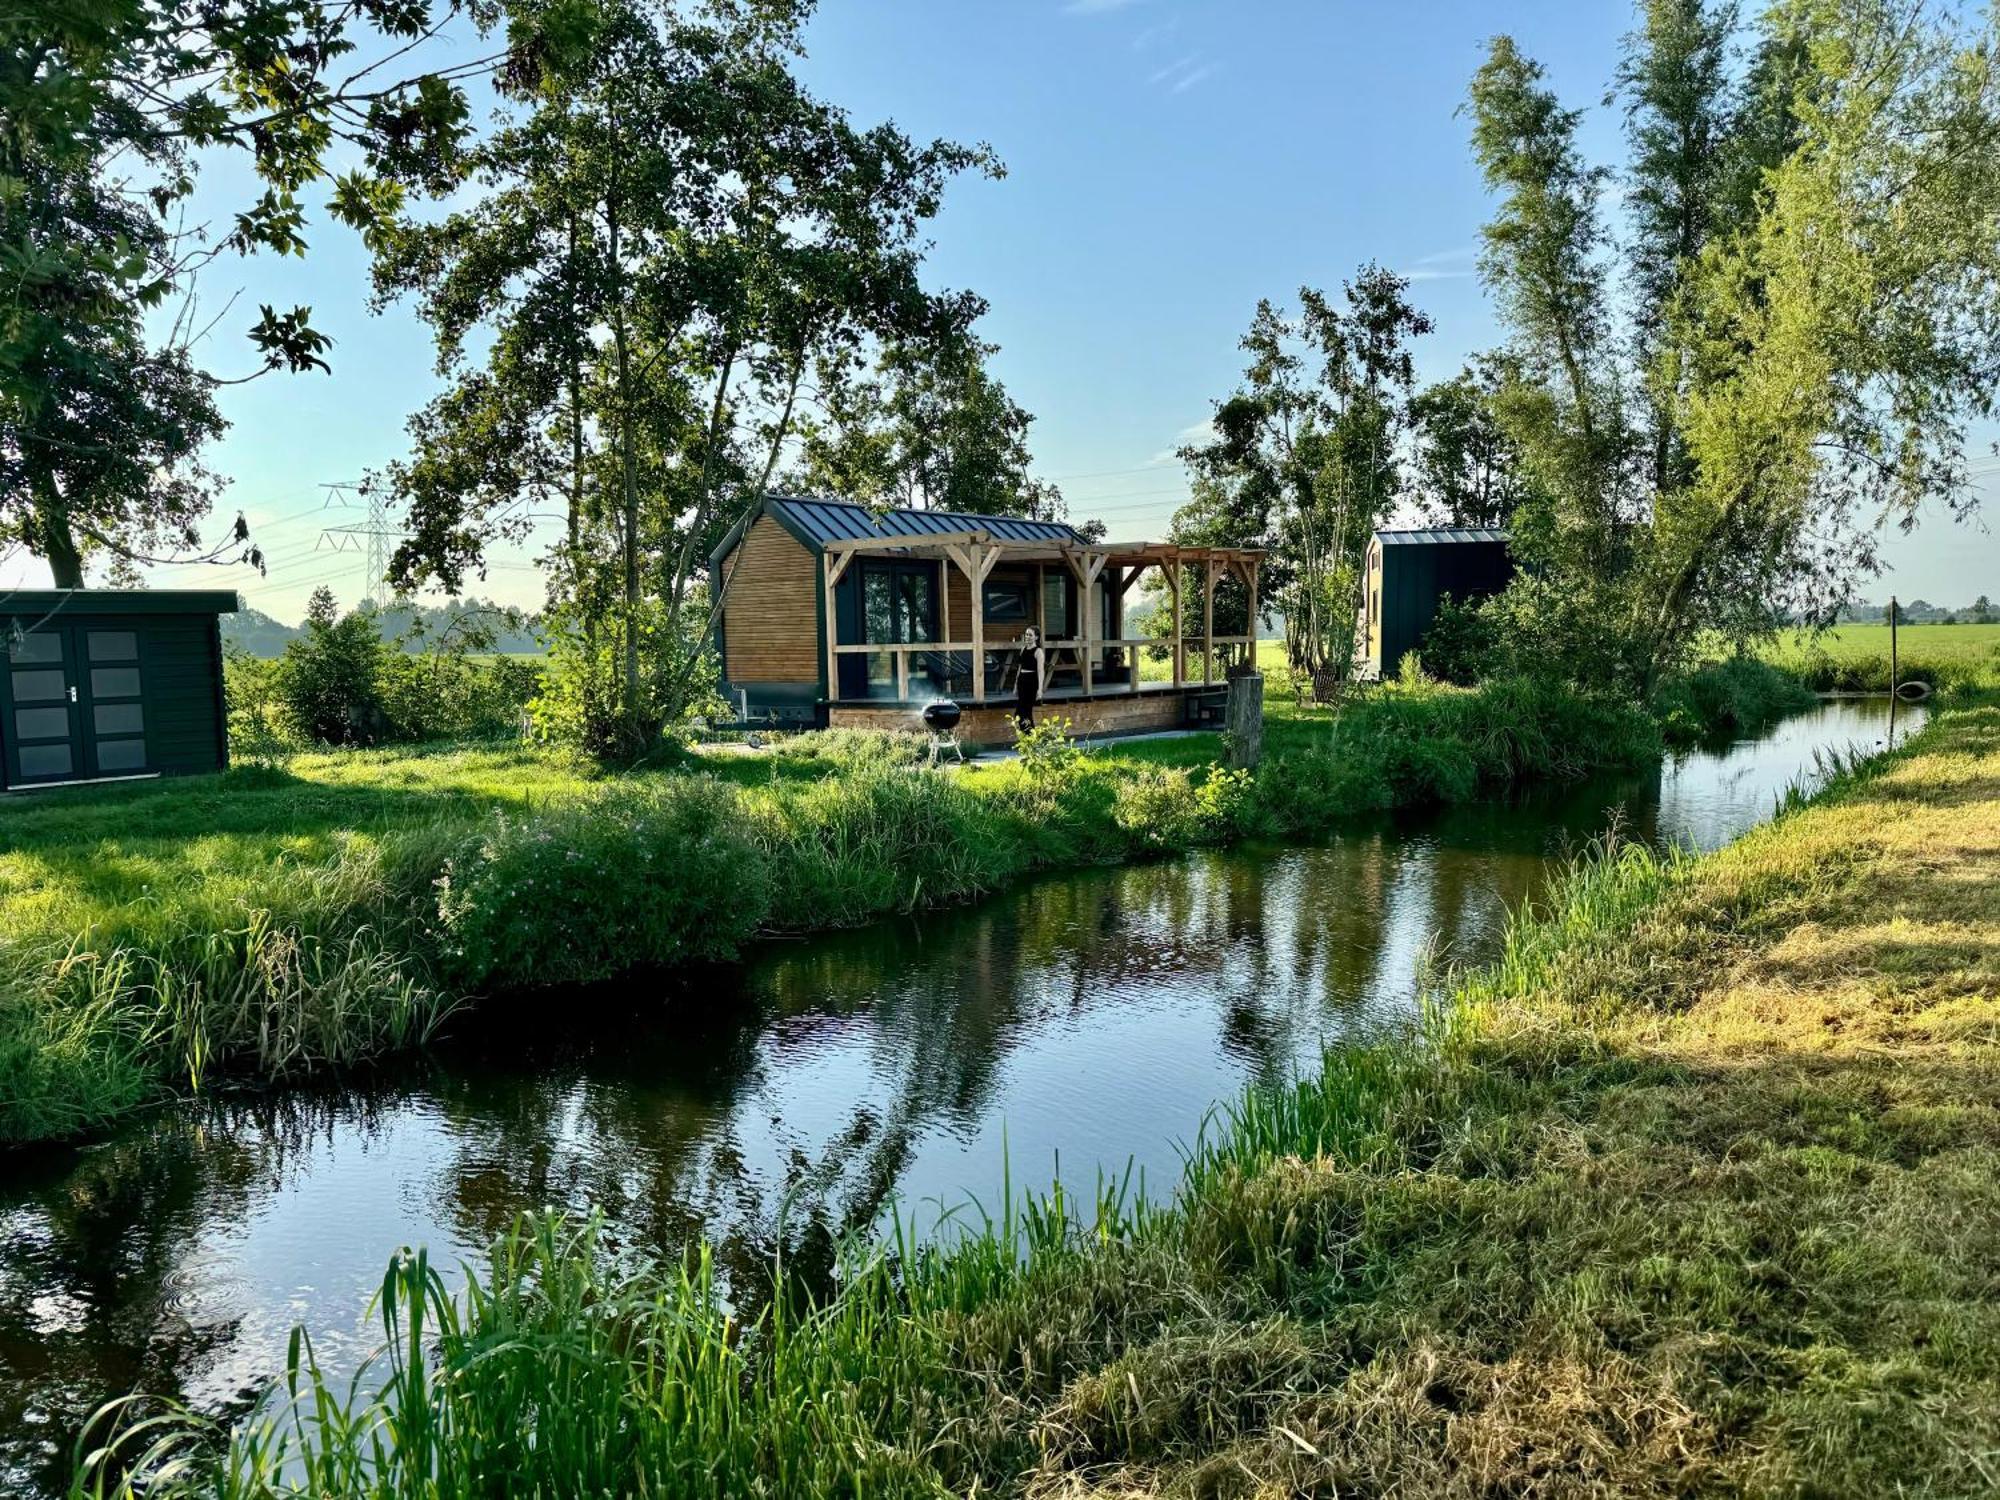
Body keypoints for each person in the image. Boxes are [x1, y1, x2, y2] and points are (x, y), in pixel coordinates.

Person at [1013, 625, 1045, 733]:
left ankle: (1031, 739)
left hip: (1031, 683)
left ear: (1036, 637)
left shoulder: (1038, 652)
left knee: (1025, 713)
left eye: (1030, 635)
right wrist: (1015, 685)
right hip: (1022, 682)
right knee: (1019, 714)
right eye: (1026, 634)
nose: (1027, 637)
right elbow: (1020, 668)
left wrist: (1040, 689)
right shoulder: (1023, 649)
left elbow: (1041, 671)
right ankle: (1029, 739)